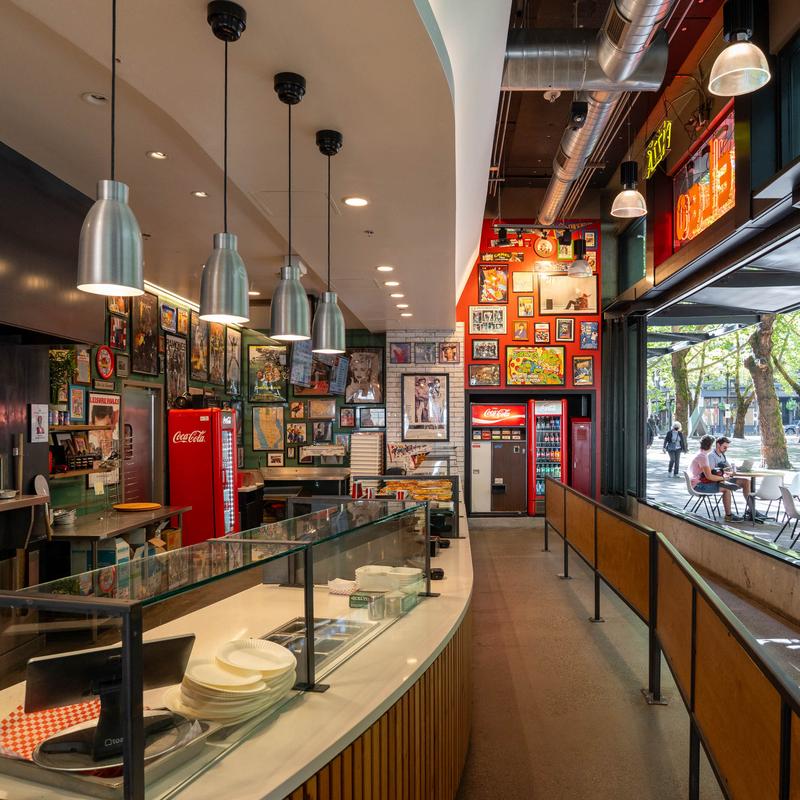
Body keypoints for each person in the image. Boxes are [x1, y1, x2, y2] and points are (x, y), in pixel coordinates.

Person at [708, 436, 764, 521]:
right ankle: (731, 515)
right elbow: (712, 472)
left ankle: (752, 510)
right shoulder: (711, 456)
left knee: (746, 482)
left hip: (727, 478)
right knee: (729, 487)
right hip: (719, 480)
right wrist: (725, 471)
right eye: (724, 447)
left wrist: (738, 468)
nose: (726, 449)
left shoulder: (722, 455)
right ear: (718, 445)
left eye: (727, 447)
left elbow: (728, 467)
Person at [689, 435, 742, 522]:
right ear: (710, 445)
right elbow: (709, 476)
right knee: (726, 489)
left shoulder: (700, 454)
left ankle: (729, 514)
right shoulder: (703, 457)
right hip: (698, 486)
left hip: (696, 483)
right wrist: (723, 478)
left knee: (727, 486)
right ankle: (728, 515)